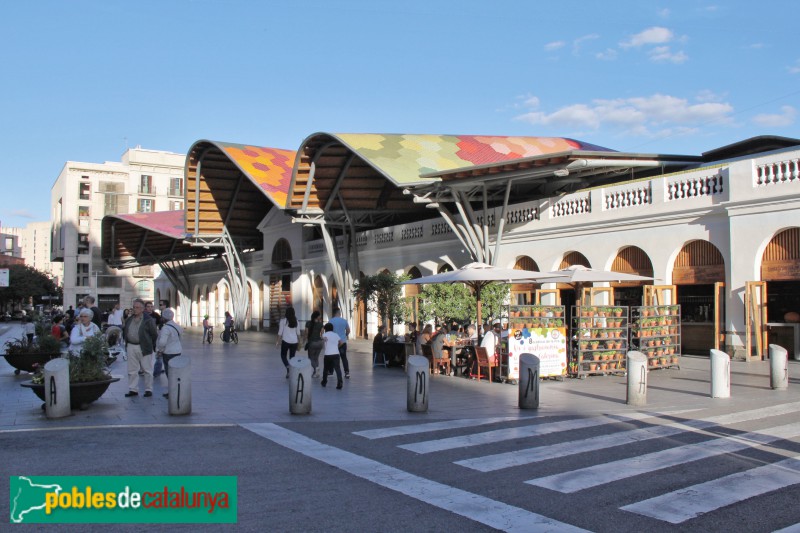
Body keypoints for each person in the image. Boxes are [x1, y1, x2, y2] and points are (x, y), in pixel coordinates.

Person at [122, 298, 159, 398]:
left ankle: (148, 389)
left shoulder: (148, 320)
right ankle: (133, 389)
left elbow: (154, 334)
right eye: (134, 307)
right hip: (131, 345)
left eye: (137, 307)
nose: (135, 309)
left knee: (147, 369)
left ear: (143, 309)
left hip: (144, 346)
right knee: (132, 369)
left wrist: (154, 347)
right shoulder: (129, 319)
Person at [155, 308, 183, 399]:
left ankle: (172, 392)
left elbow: (162, 342)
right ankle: (176, 390)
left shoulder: (166, 328)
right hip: (177, 351)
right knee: (175, 372)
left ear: (164, 318)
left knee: (169, 373)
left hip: (168, 352)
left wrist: (160, 350)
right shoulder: (177, 326)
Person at [276, 307, 300, 378]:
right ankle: (290, 372)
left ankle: (287, 367)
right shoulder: (296, 321)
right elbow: (298, 333)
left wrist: (277, 342)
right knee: (292, 358)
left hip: (285, 341)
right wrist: (300, 341)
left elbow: (280, 333)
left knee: (283, 356)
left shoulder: (283, 321)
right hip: (294, 342)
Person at [321, 322, 344, 389]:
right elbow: (341, 342)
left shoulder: (324, 335)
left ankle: (324, 382)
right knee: (337, 368)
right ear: (332, 328)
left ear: (325, 329)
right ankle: (340, 382)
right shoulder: (336, 335)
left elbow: (322, 338)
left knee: (326, 369)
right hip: (336, 353)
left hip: (327, 354)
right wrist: (337, 346)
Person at [304, 310, 324, 378]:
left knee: (310, 358)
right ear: (317, 316)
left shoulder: (308, 323)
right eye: (319, 315)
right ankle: (316, 373)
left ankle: (316, 369)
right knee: (316, 358)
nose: (320, 316)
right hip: (319, 343)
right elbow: (322, 334)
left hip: (312, 343)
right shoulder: (321, 324)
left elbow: (306, 333)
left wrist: (304, 341)